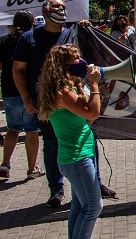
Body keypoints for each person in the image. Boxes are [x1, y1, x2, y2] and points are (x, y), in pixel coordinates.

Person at [13, 0, 115, 207]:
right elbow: (18, 70)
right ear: (44, 11)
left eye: (64, 7)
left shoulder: (73, 32)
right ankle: (56, 190)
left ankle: (94, 182)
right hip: (48, 102)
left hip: (76, 97)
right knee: (51, 145)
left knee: (88, 139)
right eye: (56, 7)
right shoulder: (29, 38)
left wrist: (87, 28)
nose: (61, 10)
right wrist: (25, 97)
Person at [36, 45, 102, 239]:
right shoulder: (63, 92)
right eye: (75, 59)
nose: (81, 61)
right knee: (93, 207)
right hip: (76, 159)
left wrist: (95, 93)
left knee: (79, 206)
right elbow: (94, 113)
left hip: (79, 155)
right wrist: (95, 86)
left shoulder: (70, 89)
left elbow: (87, 120)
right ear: (62, 65)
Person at [0, 11, 45, 180]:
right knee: (31, 131)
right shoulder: (32, 39)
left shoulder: (4, 40)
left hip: (9, 90)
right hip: (30, 91)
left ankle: (5, 163)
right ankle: (31, 168)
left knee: (13, 128)